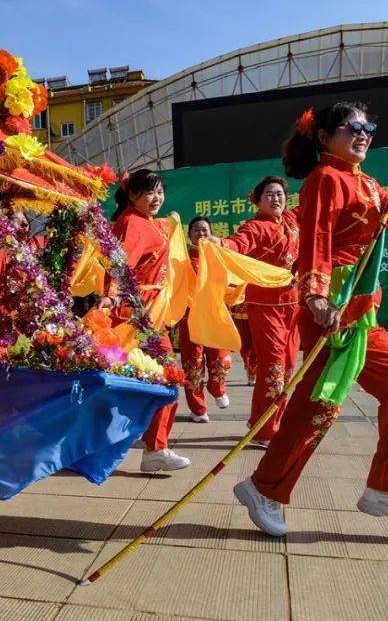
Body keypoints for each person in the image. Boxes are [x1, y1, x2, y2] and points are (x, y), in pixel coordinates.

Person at [234, 101, 388, 536]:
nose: (363, 134)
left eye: (368, 127)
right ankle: (265, 488)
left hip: (360, 309)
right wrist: (317, 296)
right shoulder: (325, 179)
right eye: (351, 128)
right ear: (325, 138)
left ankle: (386, 488)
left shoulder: (366, 183)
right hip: (333, 308)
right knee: (321, 404)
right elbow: (317, 237)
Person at [107, 169, 190, 472]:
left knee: (151, 380)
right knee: (164, 377)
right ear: (132, 195)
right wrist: (114, 297)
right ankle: (155, 448)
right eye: (149, 192)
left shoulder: (150, 223)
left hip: (150, 314)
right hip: (137, 315)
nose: (157, 198)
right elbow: (120, 265)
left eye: (160, 192)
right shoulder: (133, 223)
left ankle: (155, 447)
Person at [214, 177, 300, 444]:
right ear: (259, 200)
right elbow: (239, 243)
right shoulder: (255, 227)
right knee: (272, 366)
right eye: (270, 195)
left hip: (293, 303)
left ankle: (267, 421)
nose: (276, 199)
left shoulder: (292, 222)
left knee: (288, 367)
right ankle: (263, 430)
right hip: (265, 305)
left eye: (280, 194)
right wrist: (222, 245)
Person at [178, 216, 232, 423]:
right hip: (190, 317)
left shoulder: (218, 256)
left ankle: (217, 388)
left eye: (205, 231)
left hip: (214, 315)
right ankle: (198, 409)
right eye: (197, 231)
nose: (202, 234)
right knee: (193, 363)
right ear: (189, 235)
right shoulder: (182, 259)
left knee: (220, 357)